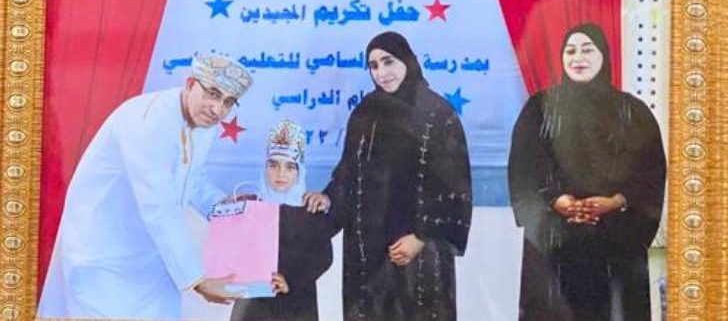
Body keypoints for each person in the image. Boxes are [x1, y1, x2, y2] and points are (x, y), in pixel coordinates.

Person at [38, 56, 253, 319]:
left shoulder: (201, 124)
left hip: (148, 261)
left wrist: (226, 207)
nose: (217, 109)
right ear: (190, 84)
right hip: (104, 257)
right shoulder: (149, 121)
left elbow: (191, 179)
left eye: (228, 102)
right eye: (213, 94)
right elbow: (158, 205)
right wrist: (198, 280)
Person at [306, 31, 473, 321]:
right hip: (367, 256)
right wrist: (328, 199)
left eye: (388, 62)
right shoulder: (365, 113)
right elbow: (348, 174)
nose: (382, 73)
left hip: (418, 255)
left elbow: (455, 188)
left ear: (407, 60)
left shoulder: (437, 113)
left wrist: (421, 238)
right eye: (373, 66)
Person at [507, 23, 666, 321]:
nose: (578, 58)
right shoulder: (539, 108)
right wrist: (557, 201)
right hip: (555, 251)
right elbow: (523, 169)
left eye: (587, 50)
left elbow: (651, 172)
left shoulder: (633, 111)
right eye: (570, 51)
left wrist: (616, 201)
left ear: (603, 55)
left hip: (616, 247)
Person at [230, 119, 333, 321]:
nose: (280, 174)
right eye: (274, 165)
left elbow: (322, 258)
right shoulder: (251, 206)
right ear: (265, 167)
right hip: (254, 305)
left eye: (289, 167)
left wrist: (291, 282)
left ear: (299, 170)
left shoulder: (311, 209)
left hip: (297, 305)